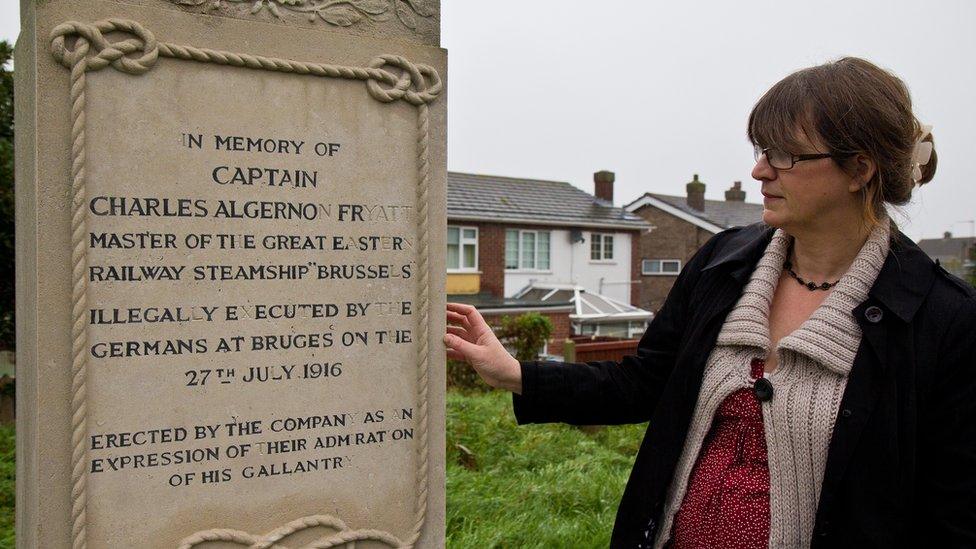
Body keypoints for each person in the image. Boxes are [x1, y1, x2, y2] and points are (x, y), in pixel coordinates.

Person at [444, 56, 976, 548]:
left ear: (859, 170)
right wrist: (516, 374)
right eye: (761, 150)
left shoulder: (944, 320)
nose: (760, 171)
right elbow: (643, 383)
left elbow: (950, 514)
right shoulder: (725, 263)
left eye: (785, 154)